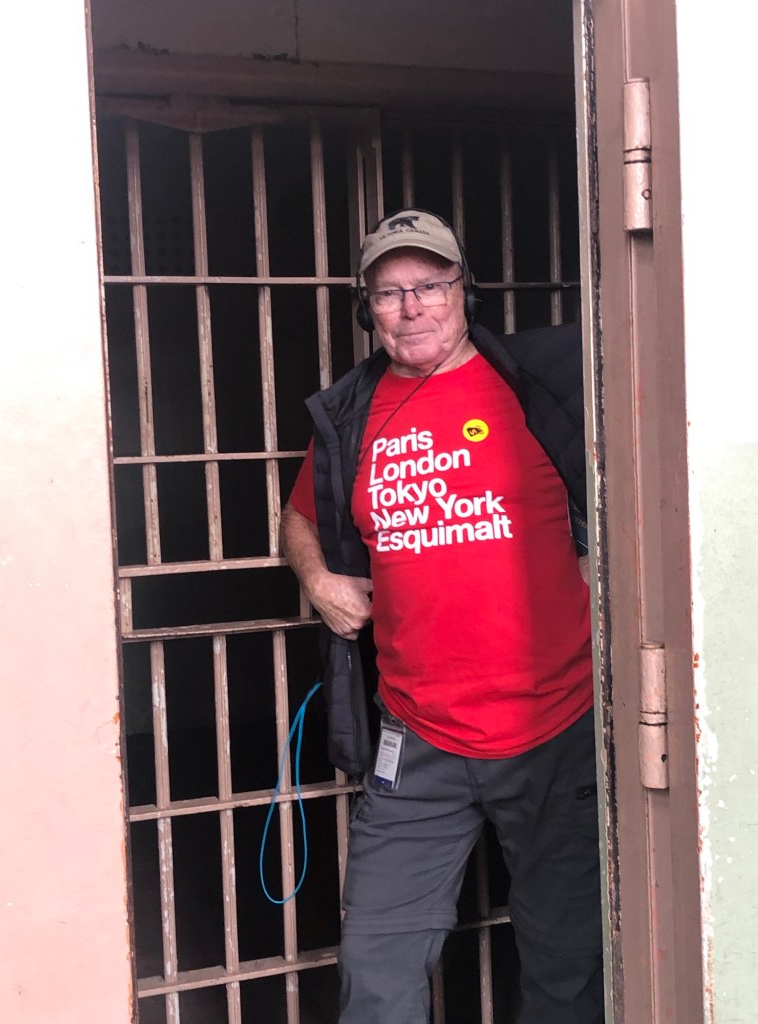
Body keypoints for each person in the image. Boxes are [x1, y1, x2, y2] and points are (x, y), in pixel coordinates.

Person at [280, 209, 604, 1024]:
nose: (411, 307)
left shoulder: (543, 390)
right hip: (417, 736)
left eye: (430, 284)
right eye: (389, 292)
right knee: (375, 965)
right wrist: (317, 578)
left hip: (554, 726)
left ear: (465, 291)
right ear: (367, 309)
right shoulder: (351, 414)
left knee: (567, 966)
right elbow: (300, 516)